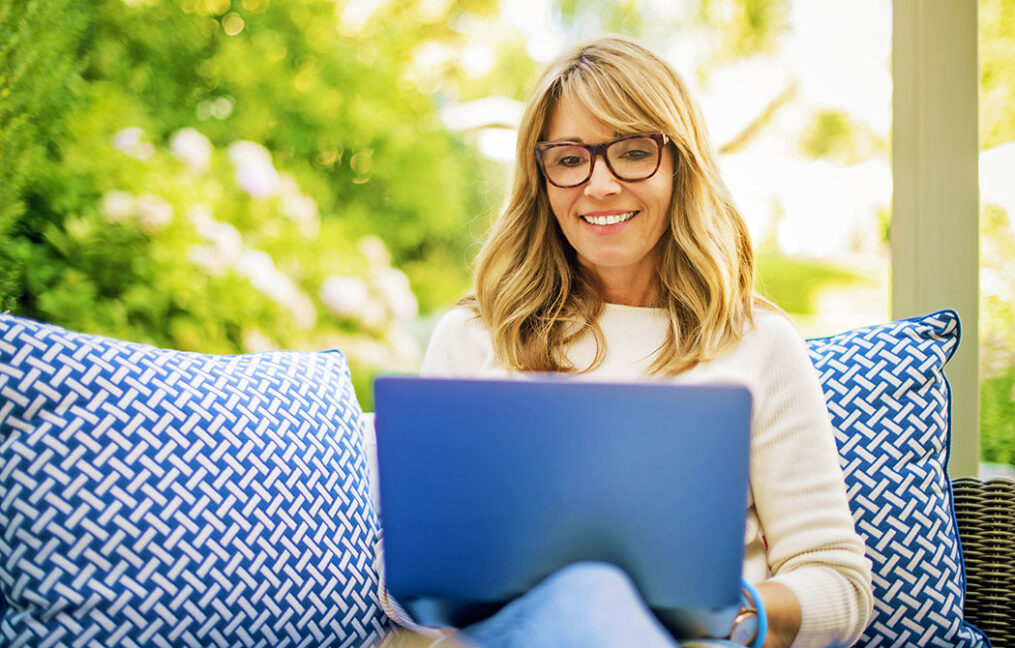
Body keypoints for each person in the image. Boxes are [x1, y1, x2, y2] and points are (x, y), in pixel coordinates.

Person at [384, 35, 874, 648]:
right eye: (569, 159)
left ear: (679, 166)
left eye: (632, 152)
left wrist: (735, 614)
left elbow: (839, 583)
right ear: (542, 177)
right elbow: (410, 587)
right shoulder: (475, 337)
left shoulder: (761, 345)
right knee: (583, 601)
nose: (600, 185)